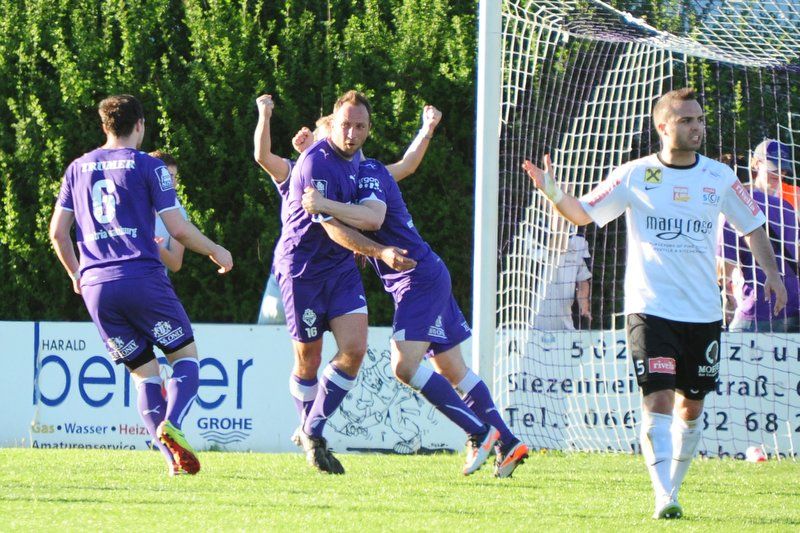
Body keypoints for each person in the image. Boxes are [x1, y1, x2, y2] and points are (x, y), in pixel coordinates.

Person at [522, 87, 786, 519]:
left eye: (699, 120)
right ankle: (663, 495)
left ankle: (672, 486)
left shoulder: (719, 177)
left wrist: (772, 275)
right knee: (658, 399)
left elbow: (753, 227)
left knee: (690, 408)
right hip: (650, 309)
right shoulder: (634, 175)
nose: (697, 127)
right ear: (663, 126)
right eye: (686, 120)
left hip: (703, 312)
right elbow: (583, 213)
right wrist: (552, 192)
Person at [301, 156, 528, 477]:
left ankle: (480, 433)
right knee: (452, 369)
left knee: (404, 366)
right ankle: (508, 442)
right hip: (428, 273)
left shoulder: (367, 172)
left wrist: (324, 204)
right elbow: (404, 168)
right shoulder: (358, 176)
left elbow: (374, 218)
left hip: (417, 280)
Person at [49, 94, 233, 477]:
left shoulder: (76, 168)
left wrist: (75, 275)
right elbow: (178, 229)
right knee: (185, 358)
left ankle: (171, 463)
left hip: (97, 287)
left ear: (104, 126)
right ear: (140, 125)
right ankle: (174, 424)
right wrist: (216, 249)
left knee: (144, 375)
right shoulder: (149, 166)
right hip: (142, 278)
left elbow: (58, 233)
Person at [273, 89, 416, 474]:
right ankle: (311, 432)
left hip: (339, 269)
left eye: (360, 126)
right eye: (346, 125)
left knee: (354, 349)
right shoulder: (315, 163)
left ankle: (312, 431)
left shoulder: (361, 164)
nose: (352, 133)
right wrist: (380, 252)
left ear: (369, 129)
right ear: (333, 124)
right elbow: (334, 228)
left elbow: (374, 207)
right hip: (302, 270)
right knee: (309, 360)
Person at [254, 95, 443, 324]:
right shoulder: (294, 172)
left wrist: (427, 129)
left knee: (347, 342)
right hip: (293, 277)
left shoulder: (360, 179)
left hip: (334, 280)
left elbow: (406, 167)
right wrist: (265, 115)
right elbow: (262, 157)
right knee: (271, 341)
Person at [718, 139, 800, 332]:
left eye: (783, 169)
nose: (779, 173)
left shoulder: (735, 204)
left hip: (757, 310)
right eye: (774, 167)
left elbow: (723, 270)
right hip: (792, 308)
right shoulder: (788, 208)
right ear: (755, 164)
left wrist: (726, 295)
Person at [532, 233, 592, 330]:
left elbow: (582, 280)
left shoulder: (578, 242)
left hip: (565, 322)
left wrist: (584, 304)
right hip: (535, 322)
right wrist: (559, 234)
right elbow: (553, 249)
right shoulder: (536, 234)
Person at [149, 150, 188, 273]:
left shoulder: (179, 214)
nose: (175, 183)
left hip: (155, 283)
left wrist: (157, 248)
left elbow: (175, 264)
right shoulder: (130, 205)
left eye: (175, 177)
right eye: (170, 176)